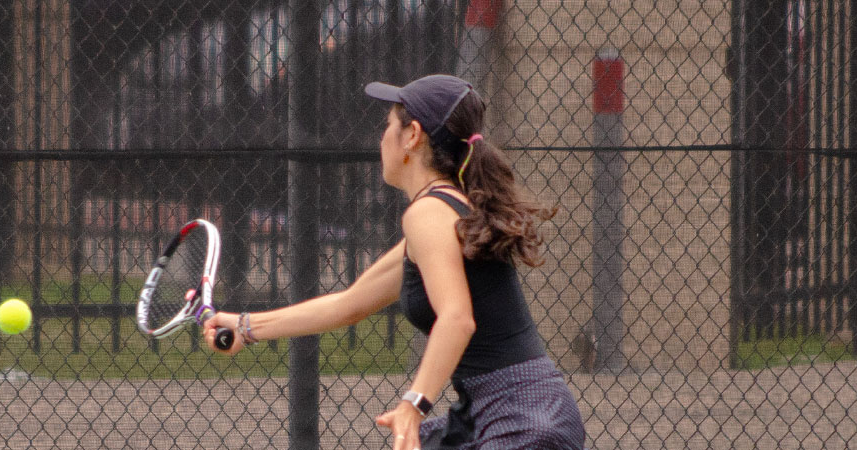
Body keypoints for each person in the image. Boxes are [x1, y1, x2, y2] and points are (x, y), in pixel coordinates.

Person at [201, 74, 586, 449]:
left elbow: (457, 319)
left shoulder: (428, 213)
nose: (381, 137)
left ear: (412, 136)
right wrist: (246, 325)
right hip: (512, 410)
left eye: (388, 125)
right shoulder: (442, 214)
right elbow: (349, 305)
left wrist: (413, 405)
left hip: (521, 419)